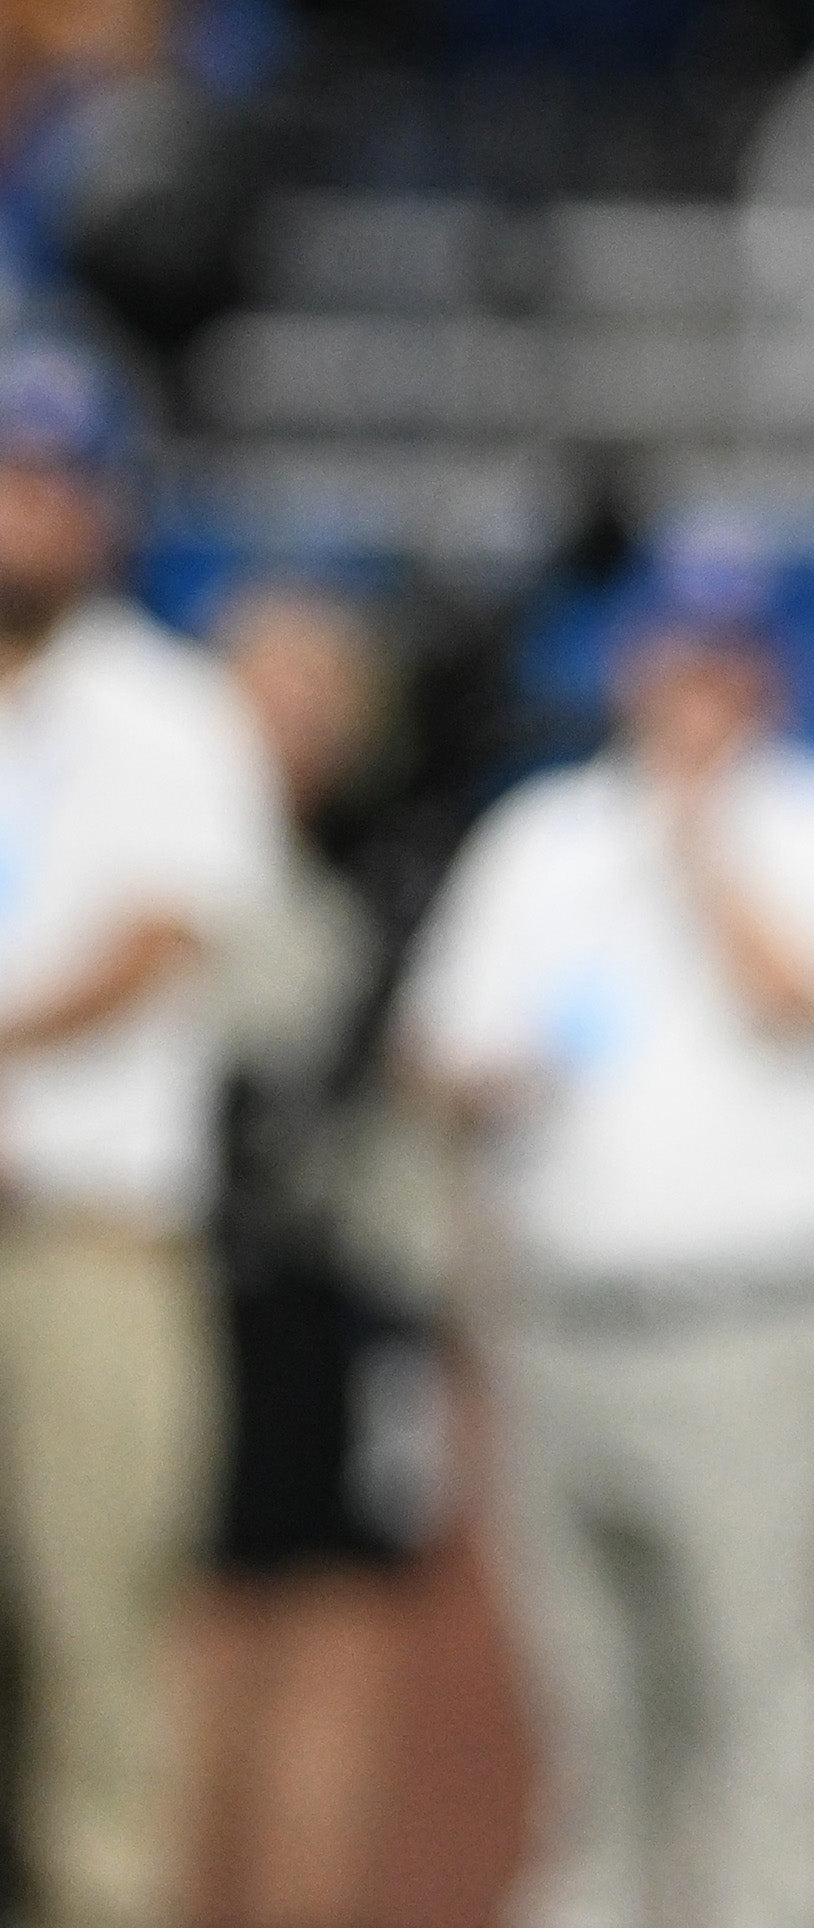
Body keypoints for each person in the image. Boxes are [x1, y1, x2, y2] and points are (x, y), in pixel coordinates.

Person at [400, 548, 814, 1928]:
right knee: (595, 1723)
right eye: (676, 655)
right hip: (562, 1326)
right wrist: (491, 1074)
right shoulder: (545, 838)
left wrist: (696, 843)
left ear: (777, 679)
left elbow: (801, 997)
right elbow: (438, 1048)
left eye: (729, 659)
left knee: (765, 1702)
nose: (698, 688)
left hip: (756, 1330)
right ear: (631, 664)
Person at [0, 338, 281, 1928]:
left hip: (87, 1244)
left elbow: (154, 939)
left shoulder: (168, 711)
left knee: (97, 1654)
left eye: (55, 481)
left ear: (109, 509)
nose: (27, 510)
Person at [193, 585, 451, 1928]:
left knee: (344, 1634)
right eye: (265, 694)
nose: (295, 728)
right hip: (199, 1289)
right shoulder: (179, 859)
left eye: (321, 699)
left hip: (361, 1294)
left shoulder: (401, 865)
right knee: (191, 1633)